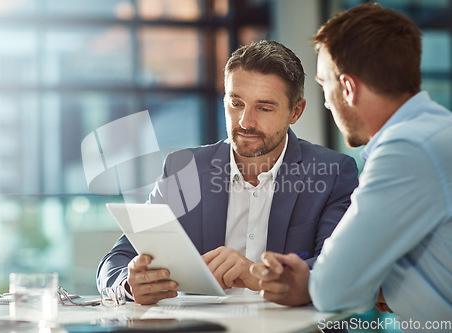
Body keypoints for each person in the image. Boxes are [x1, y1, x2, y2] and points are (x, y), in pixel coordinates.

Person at [97, 40, 359, 305]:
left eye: (264, 108)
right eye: (236, 103)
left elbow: (341, 269)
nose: (245, 121)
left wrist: (256, 274)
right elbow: (116, 260)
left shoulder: (332, 173)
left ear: (295, 111)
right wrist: (130, 284)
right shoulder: (185, 170)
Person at [250, 2, 452, 326]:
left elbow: (333, 288)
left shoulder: (406, 150)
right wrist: (373, 286)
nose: (326, 102)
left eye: (323, 85)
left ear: (347, 87)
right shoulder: (431, 133)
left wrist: (312, 282)